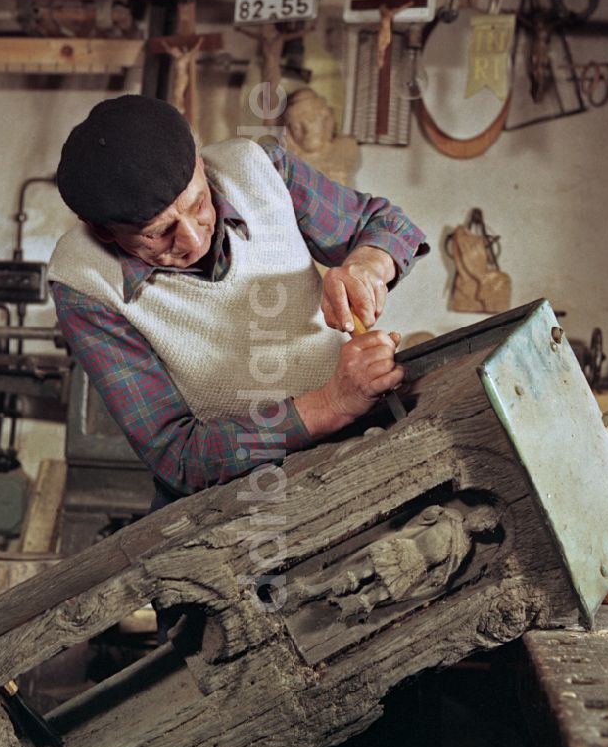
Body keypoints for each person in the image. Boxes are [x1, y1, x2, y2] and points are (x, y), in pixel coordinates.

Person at [49, 94, 427, 511]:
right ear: (104, 231)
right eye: (159, 233)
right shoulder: (82, 281)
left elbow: (386, 224)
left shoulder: (257, 168)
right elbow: (179, 456)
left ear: (200, 163)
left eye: (198, 204)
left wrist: (367, 266)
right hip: (231, 501)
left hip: (357, 441)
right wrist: (331, 404)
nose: (194, 238)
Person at [282, 87, 361, 186]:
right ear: (289, 133)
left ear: (325, 117)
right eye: (296, 127)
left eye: (312, 119)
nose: (307, 130)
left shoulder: (346, 148)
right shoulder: (289, 165)